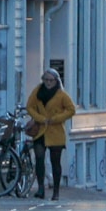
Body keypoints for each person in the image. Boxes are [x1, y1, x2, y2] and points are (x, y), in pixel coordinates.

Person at [26, 68, 75, 200]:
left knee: (55, 162)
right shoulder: (38, 91)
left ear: (56, 81)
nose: (48, 83)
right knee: (39, 157)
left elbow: (71, 110)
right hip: (40, 130)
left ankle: (56, 191)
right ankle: (41, 188)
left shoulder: (61, 95)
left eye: (50, 80)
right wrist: (40, 118)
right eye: (45, 80)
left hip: (56, 131)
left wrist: (56, 118)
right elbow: (29, 106)